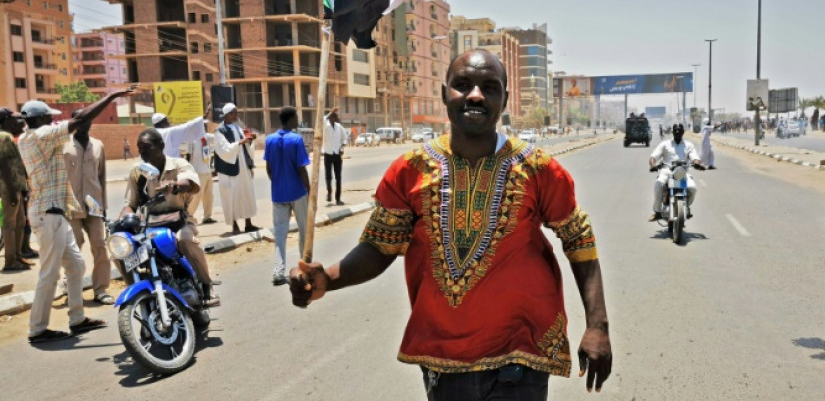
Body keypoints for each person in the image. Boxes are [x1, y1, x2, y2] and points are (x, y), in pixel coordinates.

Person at [290, 50, 612, 398]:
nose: (475, 94)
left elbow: (579, 240)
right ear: (445, 93)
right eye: (463, 85)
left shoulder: (538, 169)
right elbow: (379, 247)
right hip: (444, 360)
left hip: (521, 355)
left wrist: (598, 325)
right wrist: (327, 279)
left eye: (490, 87)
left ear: (503, 100)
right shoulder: (410, 169)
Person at [19, 89, 133, 344]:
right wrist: (112, 96)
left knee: (76, 265)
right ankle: (37, 329)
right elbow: (80, 121)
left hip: (56, 212)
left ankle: (77, 318)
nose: (53, 121)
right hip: (49, 215)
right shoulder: (41, 136)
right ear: (39, 120)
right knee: (49, 273)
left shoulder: (29, 136)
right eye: (49, 117)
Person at [120, 128, 219, 305]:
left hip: (179, 222)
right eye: (139, 147)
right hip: (149, 227)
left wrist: (175, 185)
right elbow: (130, 204)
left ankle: (206, 285)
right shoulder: (137, 172)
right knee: (122, 248)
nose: (142, 151)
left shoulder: (178, 164)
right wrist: (123, 218)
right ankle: (137, 295)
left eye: (147, 147)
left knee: (185, 239)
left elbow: (191, 183)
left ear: (161, 146)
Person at [63, 110, 113, 304]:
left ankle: (100, 289)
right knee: (73, 249)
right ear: (73, 121)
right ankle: (71, 289)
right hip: (71, 206)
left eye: (88, 120)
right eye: (80, 120)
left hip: (95, 206)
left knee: (100, 246)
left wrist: (104, 206)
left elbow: (102, 177)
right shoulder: (63, 145)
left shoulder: (98, 146)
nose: (85, 124)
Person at [263, 106, 310, 286]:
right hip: (298, 192)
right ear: (290, 119)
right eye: (296, 117)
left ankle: (278, 272)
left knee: (280, 235)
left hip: (278, 194)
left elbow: (268, 169)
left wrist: (277, 183)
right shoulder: (296, 139)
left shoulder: (270, 140)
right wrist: (310, 190)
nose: (297, 120)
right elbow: (301, 169)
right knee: (304, 230)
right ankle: (304, 267)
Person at [213, 103, 259, 234]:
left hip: (243, 166)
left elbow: (244, 144)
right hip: (229, 170)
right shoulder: (219, 131)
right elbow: (223, 149)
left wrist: (250, 140)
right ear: (228, 114)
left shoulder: (236, 127)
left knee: (247, 194)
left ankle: (248, 223)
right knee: (231, 197)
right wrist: (240, 142)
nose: (237, 115)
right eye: (235, 112)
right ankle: (234, 225)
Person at [648, 123, 704, 222]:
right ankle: (657, 212)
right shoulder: (665, 144)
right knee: (658, 185)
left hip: (682, 172)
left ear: (683, 133)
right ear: (672, 132)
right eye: (675, 131)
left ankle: (686, 207)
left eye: (679, 131)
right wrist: (653, 165)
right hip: (667, 171)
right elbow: (653, 157)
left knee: (693, 189)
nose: (677, 133)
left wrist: (697, 163)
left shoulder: (689, 145)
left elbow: (694, 157)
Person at [1, 108, 31, 272]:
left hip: (16, 186)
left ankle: (18, 256)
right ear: (6, 121)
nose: (19, 122)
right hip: (9, 188)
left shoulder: (9, 137)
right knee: (10, 225)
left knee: (20, 222)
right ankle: (10, 260)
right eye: (15, 119)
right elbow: (4, 165)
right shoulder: (3, 137)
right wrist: (13, 190)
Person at [186, 123, 216, 224]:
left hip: (207, 170)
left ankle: (207, 216)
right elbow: (188, 156)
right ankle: (188, 216)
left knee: (209, 195)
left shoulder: (206, 137)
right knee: (197, 195)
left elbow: (217, 137)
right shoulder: (191, 140)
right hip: (197, 171)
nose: (203, 128)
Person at [322, 107, 346, 206]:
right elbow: (322, 119)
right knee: (328, 176)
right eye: (331, 117)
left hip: (337, 155)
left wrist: (342, 149)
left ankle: (338, 198)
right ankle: (329, 192)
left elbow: (344, 138)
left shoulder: (339, 127)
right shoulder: (325, 126)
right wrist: (331, 111)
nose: (332, 119)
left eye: (334, 117)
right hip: (328, 154)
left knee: (338, 177)